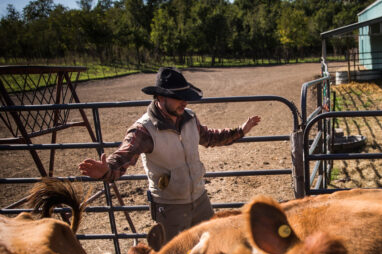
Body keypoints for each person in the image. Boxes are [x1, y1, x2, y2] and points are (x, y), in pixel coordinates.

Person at [78, 66, 260, 242]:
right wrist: (106, 170)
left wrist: (240, 131)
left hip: (200, 199)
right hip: (171, 208)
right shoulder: (144, 130)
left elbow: (209, 137)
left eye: (185, 97)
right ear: (159, 97)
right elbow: (124, 155)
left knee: (212, 249)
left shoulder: (189, 118)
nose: (184, 102)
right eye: (177, 97)